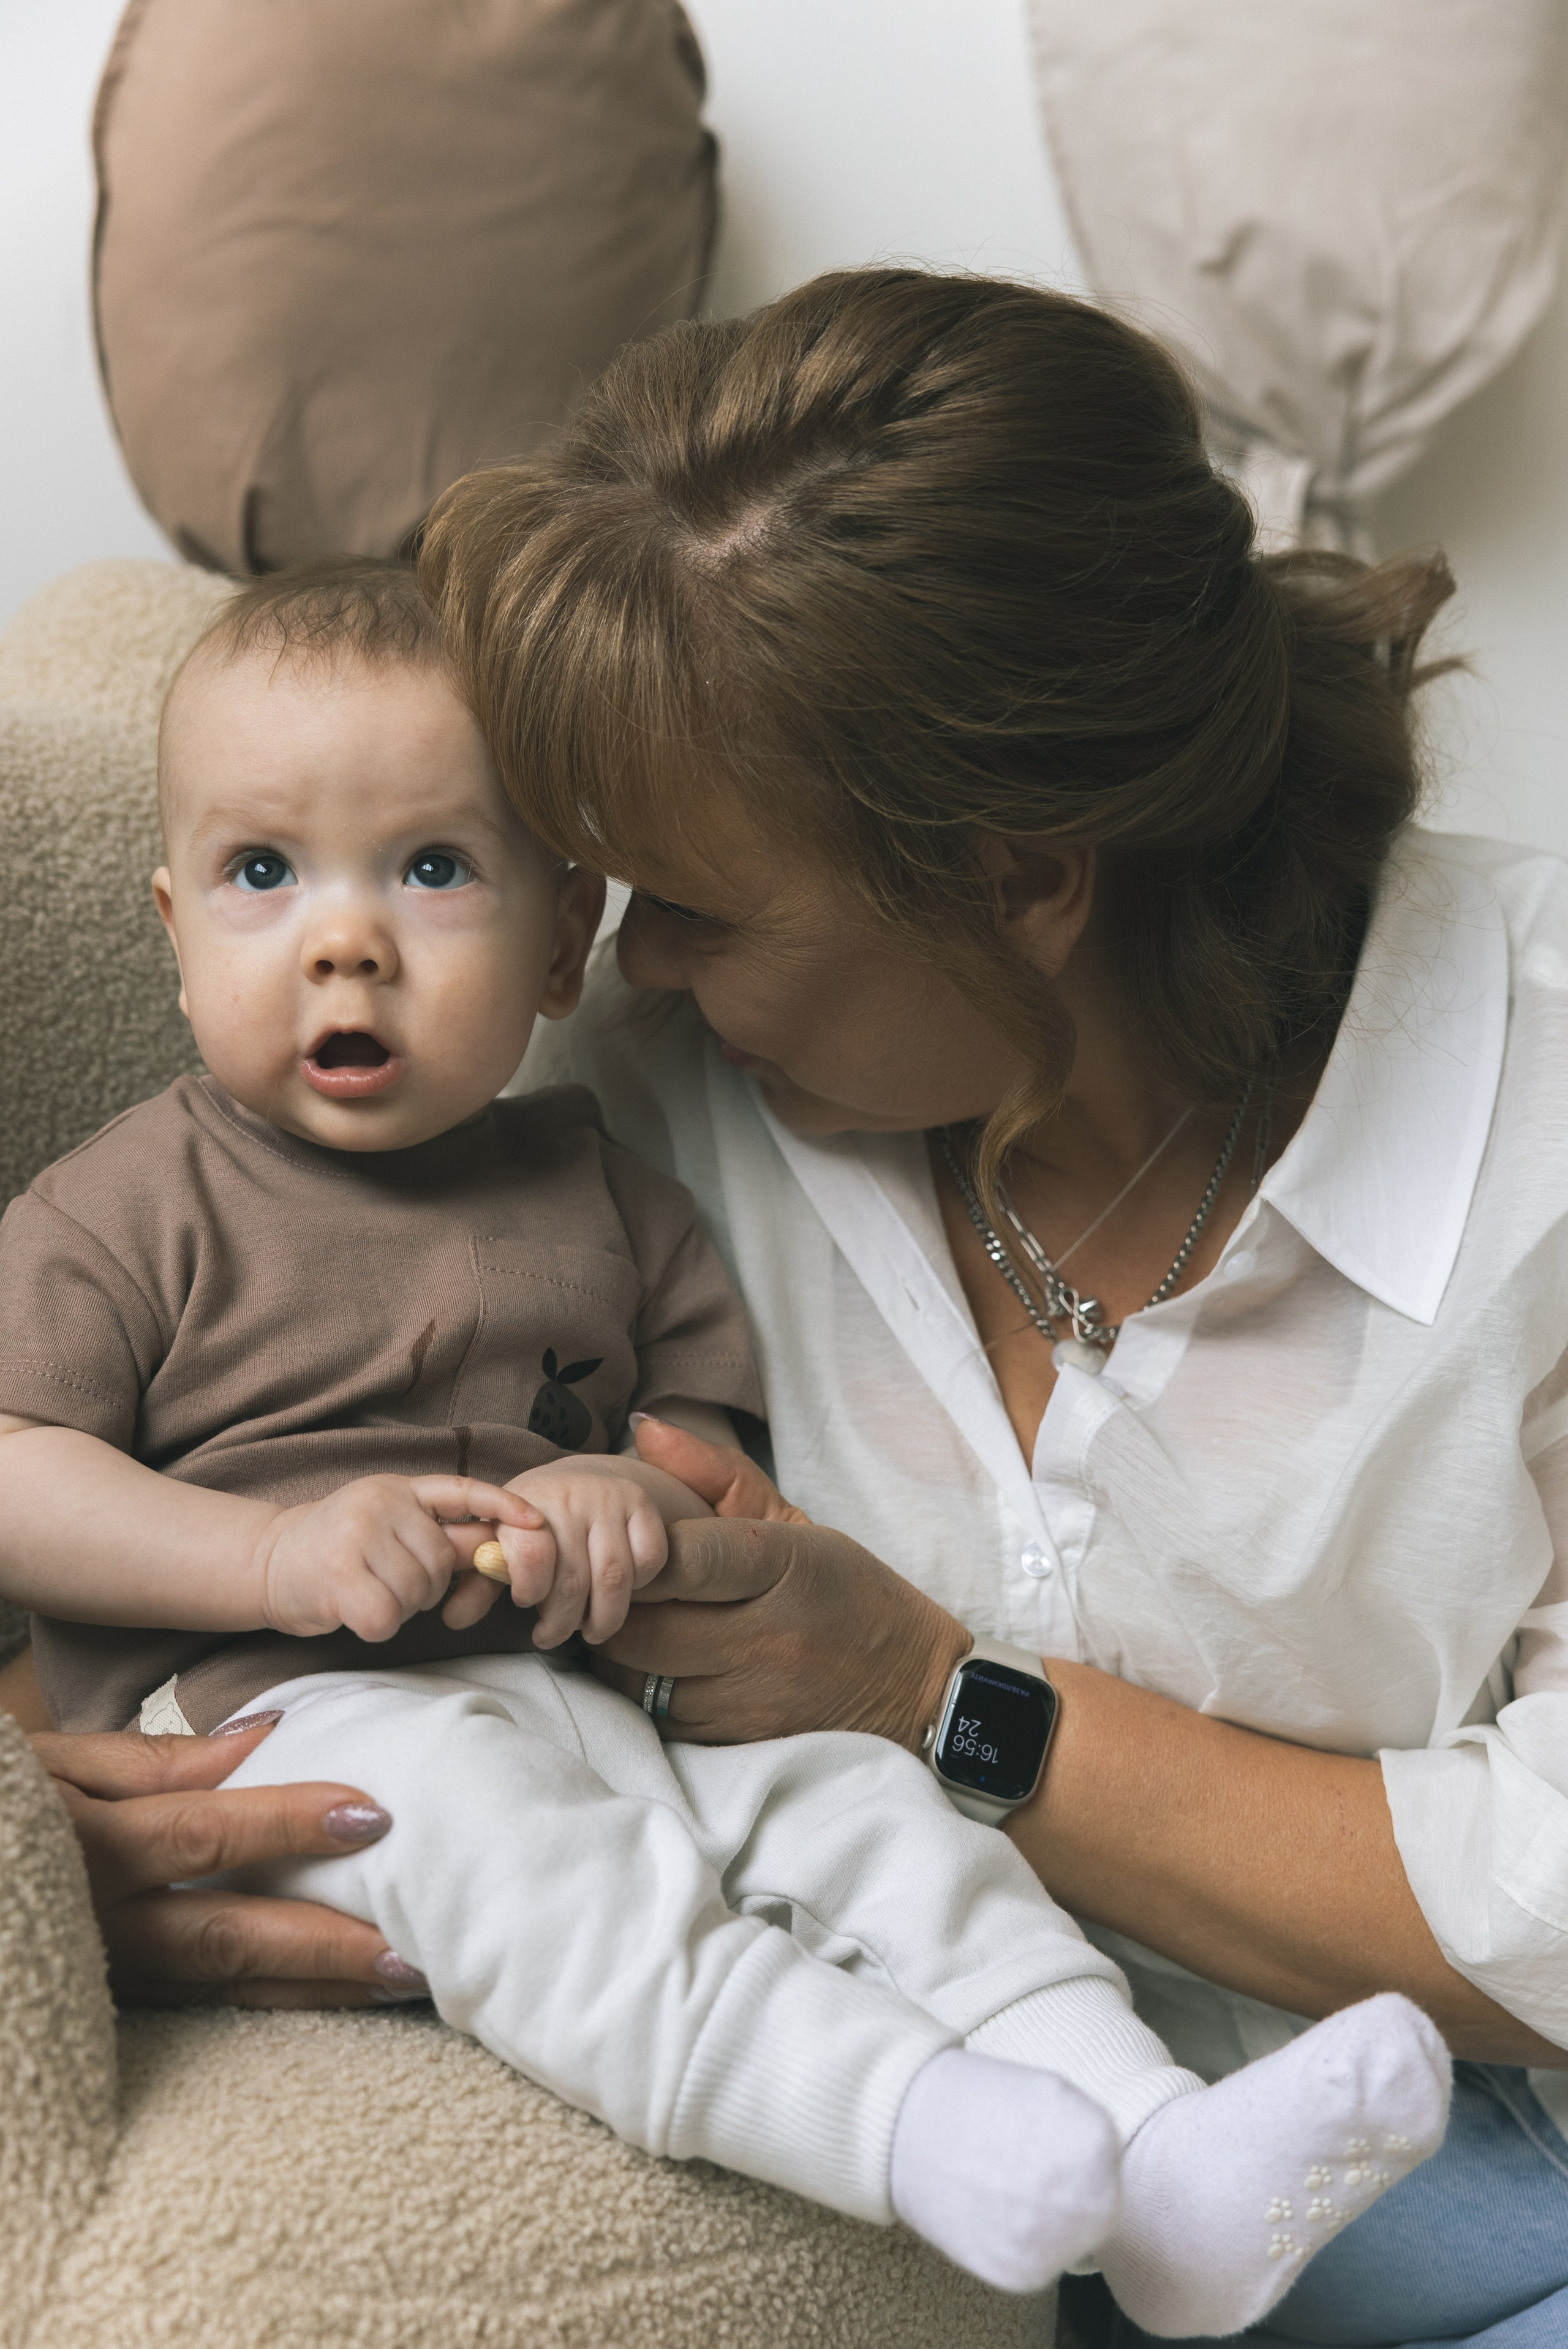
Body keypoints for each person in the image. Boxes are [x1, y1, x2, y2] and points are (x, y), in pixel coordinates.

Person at [0, 559, 1447, 2335]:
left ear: (560, 942)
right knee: (526, 1866)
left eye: (433, 869)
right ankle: (909, 2126)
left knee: (873, 1812)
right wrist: (264, 1556)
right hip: (281, 1715)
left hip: (596, 1691)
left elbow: (698, 1436)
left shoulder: (601, 1175)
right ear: (169, 926)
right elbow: (14, 1465)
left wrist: (625, 1493)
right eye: (261, 873)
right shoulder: (135, 1203)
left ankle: (1163, 2160)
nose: (344, 936)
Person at [416, 268, 1568, 2348]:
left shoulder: (1544, 1122)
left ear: (1028, 870)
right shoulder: (658, 1105)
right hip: (962, 2175)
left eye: (690, 903)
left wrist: (939, 1694)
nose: (625, 970)